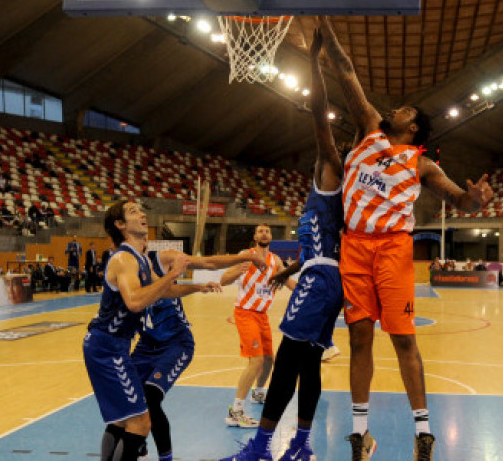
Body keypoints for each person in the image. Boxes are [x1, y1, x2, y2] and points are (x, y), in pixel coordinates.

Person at [319, 16, 494, 461]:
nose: (394, 109)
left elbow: (459, 201)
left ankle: (424, 433)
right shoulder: (369, 129)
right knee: (359, 337)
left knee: (403, 340)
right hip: (354, 246)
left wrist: (474, 200)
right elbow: (346, 73)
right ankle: (360, 434)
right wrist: (324, 23)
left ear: (413, 128)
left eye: (405, 111)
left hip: (394, 248)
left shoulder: (421, 165)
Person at [219, 29, 345, 461]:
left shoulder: (329, 176)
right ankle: (302, 445)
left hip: (322, 279)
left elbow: (318, 115)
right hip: (324, 277)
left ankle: (259, 448)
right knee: (307, 364)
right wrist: (287, 273)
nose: (319, 154)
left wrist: (313, 63)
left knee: (288, 364)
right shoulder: (322, 199)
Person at [132, 243, 266, 461]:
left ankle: (164, 458)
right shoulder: (123, 267)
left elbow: (208, 262)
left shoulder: (163, 258)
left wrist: (247, 259)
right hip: (145, 344)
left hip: (175, 342)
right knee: (131, 400)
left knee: (151, 396)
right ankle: (141, 451)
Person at [82, 199, 189, 461]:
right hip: (108, 347)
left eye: (141, 209)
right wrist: (173, 273)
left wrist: (198, 287)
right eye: (132, 212)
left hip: (111, 345)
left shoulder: (139, 259)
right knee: (140, 423)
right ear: (120, 225)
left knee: (122, 421)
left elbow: (167, 290)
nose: (142, 214)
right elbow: (136, 301)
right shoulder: (124, 259)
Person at [219, 224, 297, 429]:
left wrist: (309, 294)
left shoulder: (276, 260)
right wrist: (238, 269)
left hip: (262, 316)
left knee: (269, 360)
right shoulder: (246, 255)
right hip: (245, 313)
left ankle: (259, 393)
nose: (264, 233)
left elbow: (288, 282)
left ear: (271, 236)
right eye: (260, 231)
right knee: (256, 361)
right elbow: (224, 279)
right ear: (254, 236)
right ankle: (235, 411)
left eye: (268, 231)